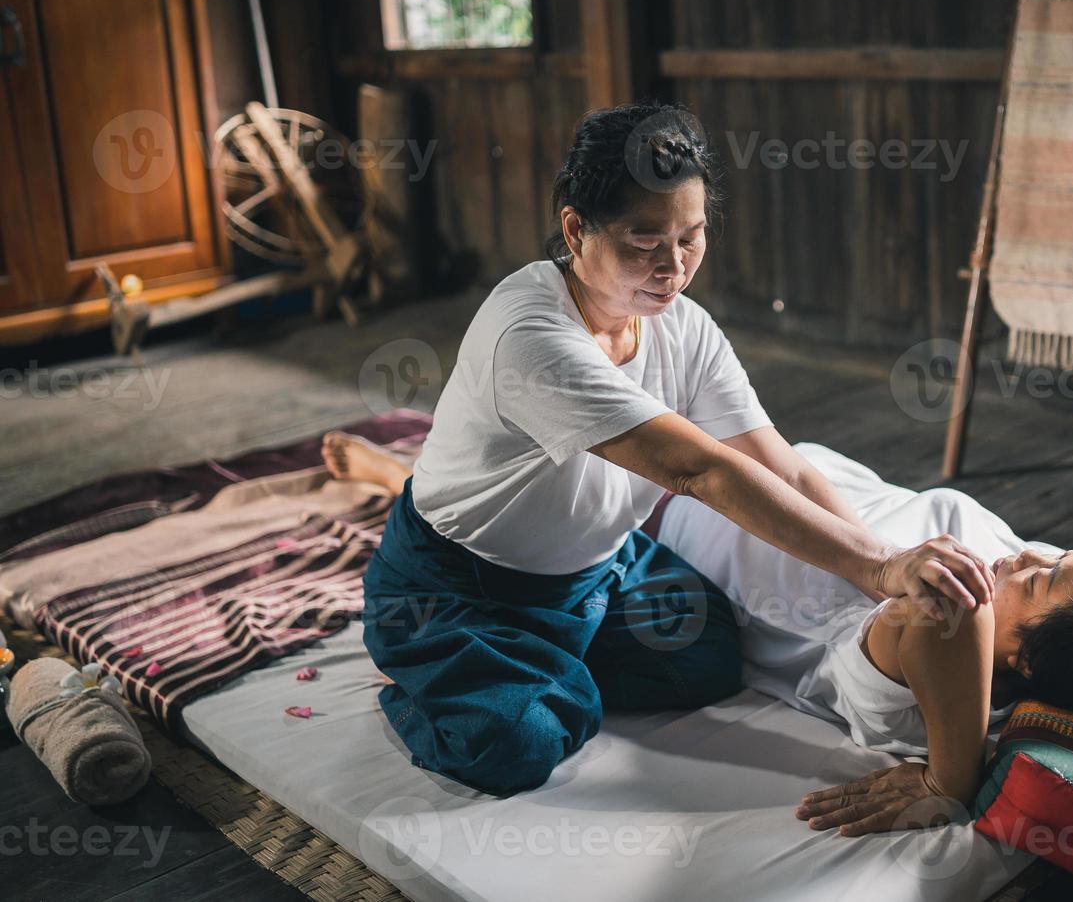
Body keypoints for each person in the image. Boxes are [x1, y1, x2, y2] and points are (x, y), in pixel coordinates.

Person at [355, 104, 995, 798]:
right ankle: (432, 669)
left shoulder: (682, 328)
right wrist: (881, 568)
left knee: (711, 657)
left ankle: (547, 666)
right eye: (644, 241)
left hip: (597, 573)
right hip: (464, 587)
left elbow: (779, 461)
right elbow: (701, 470)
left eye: (691, 238)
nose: (673, 267)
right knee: (517, 745)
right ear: (576, 230)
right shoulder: (532, 336)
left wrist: (881, 569)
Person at [327, 435, 1073, 835]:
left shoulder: (918, 690)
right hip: (768, 464)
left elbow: (944, 611)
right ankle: (404, 468)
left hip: (672, 519)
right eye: (1062, 550)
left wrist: (952, 781)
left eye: (1039, 578)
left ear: (1024, 659)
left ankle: (398, 481)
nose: (1022, 552)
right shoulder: (1057, 613)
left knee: (513, 498)